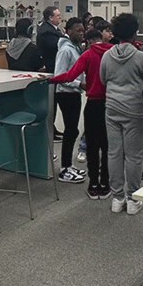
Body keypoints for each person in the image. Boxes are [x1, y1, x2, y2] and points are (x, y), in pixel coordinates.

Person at [99, 13, 143, 215]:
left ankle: (117, 197)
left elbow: (104, 80)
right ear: (135, 32)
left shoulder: (107, 55)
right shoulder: (141, 57)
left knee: (114, 153)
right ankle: (132, 198)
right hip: (136, 110)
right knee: (134, 156)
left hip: (111, 108)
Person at [52, 27, 114, 199]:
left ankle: (93, 184)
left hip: (93, 105)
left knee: (92, 147)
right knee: (108, 146)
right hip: (110, 104)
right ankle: (106, 184)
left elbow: (69, 76)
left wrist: (50, 79)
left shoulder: (87, 55)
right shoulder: (114, 54)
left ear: (88, 41)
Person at [52, 18, 88, 183]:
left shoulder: (76, 48)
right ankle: (65, 168)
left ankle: (68, 165)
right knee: (71, 130)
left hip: (74, 92)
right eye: (77, 30)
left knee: (72, 130)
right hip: (66, 93)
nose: (81, 33)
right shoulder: (66, 50)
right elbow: (59, 75)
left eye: (83, 30)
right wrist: (79, 83)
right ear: (68, 31)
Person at [35, 5, 65, 72]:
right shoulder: (47, 31)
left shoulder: (54, 29)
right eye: (58, 16)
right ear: (51, 17)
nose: (60, 17)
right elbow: (58, 46)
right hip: (52, 66)